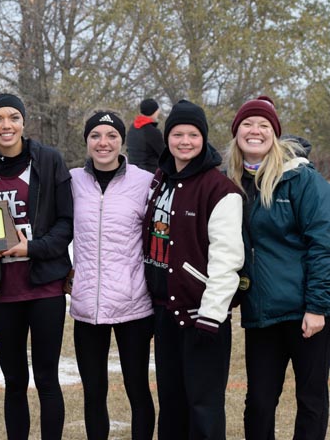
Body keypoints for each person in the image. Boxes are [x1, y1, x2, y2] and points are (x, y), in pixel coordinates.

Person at [0, 93, 73, 440]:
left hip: (44, 286)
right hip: (6, 289)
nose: (6, 125)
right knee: (14, 380)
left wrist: (31, 246)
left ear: (24, 121)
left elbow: (65, 223)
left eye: (13, 117)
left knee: (46, 377)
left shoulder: (49, 160)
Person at [226, 96, 330, 440]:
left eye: (264, 126)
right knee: (258, 402)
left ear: (275, 134)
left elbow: (323, 243)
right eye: (247, 125)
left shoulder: (301, 179)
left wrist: (317, 307)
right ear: (236, 134)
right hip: (261, 313)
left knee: (311, 399)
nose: (255, 131)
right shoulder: (232, 183)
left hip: (305, 313)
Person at [142, 100, 244, 439]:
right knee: (171, 403)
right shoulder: (162, 181)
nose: (184, 141)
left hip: (203, 316)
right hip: (166, 312)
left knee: (203, 406)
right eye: (177, 134)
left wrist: (212, 316)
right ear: (167, 137)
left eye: (193, 134)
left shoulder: (220, 189)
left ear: (204, 139)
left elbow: (227, 260)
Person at [69, 110, 155, 439]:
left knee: (137, 387)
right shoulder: (73, 180)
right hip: (87, 306)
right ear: (87, 141)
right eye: (95, 136)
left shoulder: (145, 182)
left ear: (122, 142)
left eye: (111, 136)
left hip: (133, 304)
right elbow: (57, 227)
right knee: (94, 391)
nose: (103, 143)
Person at [126, 98, 165, 173]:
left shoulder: (132, 128)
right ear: (155, 111)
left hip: (133, 172)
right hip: (149, 174)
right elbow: (163, 155)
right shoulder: (152, 131)